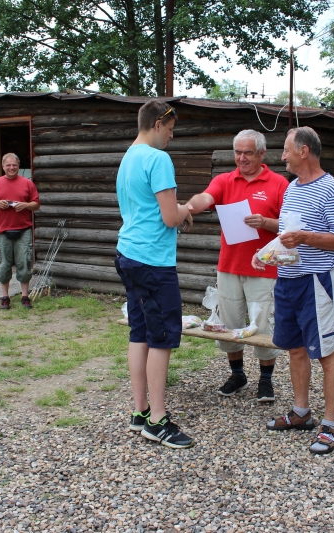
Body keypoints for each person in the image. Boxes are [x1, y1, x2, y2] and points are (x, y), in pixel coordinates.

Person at [253, 126, 334, 455]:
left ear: (304, 151)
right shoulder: (292, 188)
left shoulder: (332, 189)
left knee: (326, 353)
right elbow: (287, 236)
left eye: (286, 150)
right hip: (287, 281)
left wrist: (306, 237)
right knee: (295, 350)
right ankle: (301, 413)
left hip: (316, 283)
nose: (282, 156)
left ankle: (330, 424)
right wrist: (265, 254)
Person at [185, 130, 289, 402]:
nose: (242, 158)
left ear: (262, 154)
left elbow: (291, 226)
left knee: (263, 325)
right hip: (229, 267)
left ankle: (265, 380)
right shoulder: (224, 180)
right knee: (229, 324)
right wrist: (187, 208)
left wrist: (265, 223)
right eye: (238, 152)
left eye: (248, 153)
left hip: (264, 269)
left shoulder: (279, 183)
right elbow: (205, 198)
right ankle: (238, 374)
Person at [114, 100, 194, 449]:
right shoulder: (158, 159)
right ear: (157, 124)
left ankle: (140, 411)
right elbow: (169, 217)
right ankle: (158, 421)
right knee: (162, 337)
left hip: (128, 255)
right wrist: (186, 209)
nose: (172, 136)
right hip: (153, 262)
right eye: (171, 129)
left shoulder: (128, 157)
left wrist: (177, 210)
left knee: (140, 333)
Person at [0, 153, 40, 310]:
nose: (11, 168)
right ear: (3, 166)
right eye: (8, 165)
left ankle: (24, 296)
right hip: (2, 230)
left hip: (23, 230)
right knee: (3, 265)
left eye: (14, 165)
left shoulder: (27, 183)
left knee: (25, 263)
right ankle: (5, 297)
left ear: (18, 166)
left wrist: (25, 205)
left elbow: (36, 204)